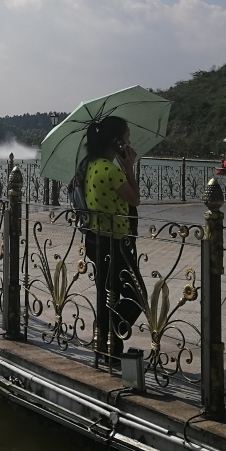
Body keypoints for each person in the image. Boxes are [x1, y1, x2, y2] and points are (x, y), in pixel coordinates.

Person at [77, 115, 145, 362]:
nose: (129, 143)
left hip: (97, 240)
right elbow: (135, 199)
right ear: (117, 142)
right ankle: (113, 334)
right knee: (137, 296)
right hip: (117, 243)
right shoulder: (111, 171)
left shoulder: (89, 165)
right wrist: (129, 168)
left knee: (108, 294)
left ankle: (106, 344)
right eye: (126, 139)